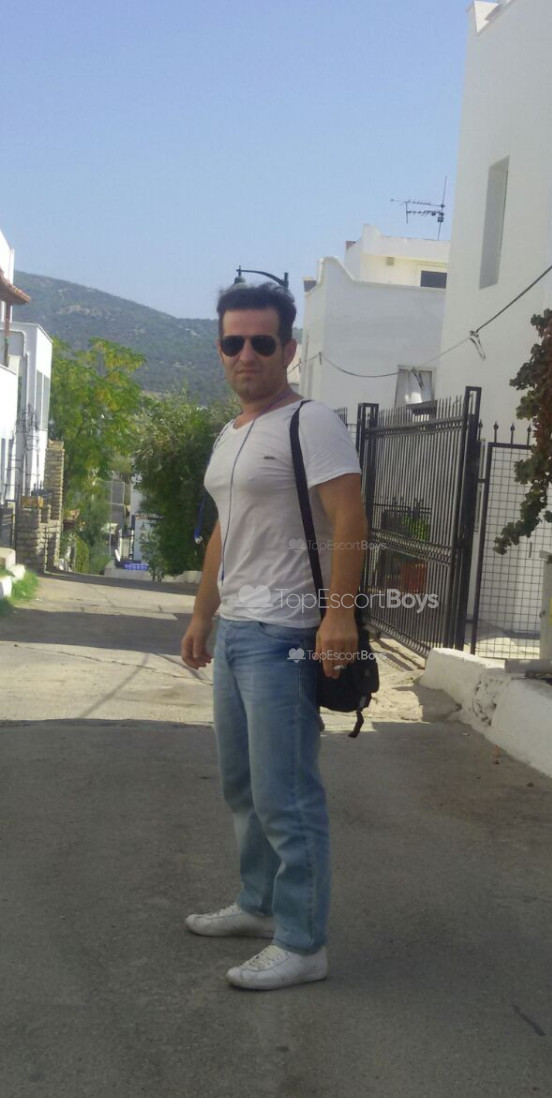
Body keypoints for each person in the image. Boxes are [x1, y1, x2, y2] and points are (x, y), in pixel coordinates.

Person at [181, 281, 368, 991]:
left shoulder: (311, 422)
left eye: (262, 341)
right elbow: (225, 532)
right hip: (235, 629)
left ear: (288, 348)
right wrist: (203, 614)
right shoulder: (231, 434)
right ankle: (258, 906)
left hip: (285, 631)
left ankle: (301, 942)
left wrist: (339, 616)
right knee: (243, 786)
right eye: (233, 342)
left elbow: (350, 519)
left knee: (286, 795)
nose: (247, 354)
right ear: (220, 349)